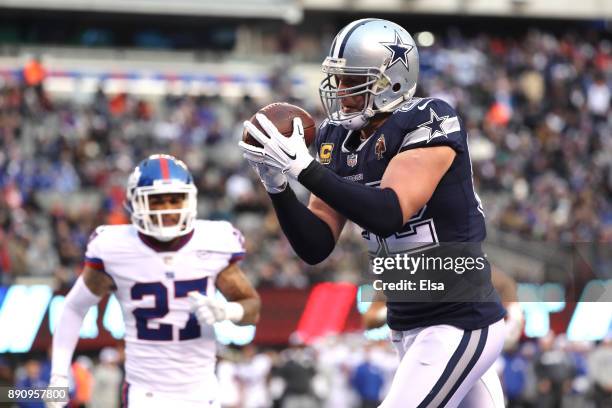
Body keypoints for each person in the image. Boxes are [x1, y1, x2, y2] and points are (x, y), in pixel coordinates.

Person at [240, 19, 506, 407]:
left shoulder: (428, 119)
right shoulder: (337, 138)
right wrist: (277, 185)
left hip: (459, 318)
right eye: (339, 79)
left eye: (353, 80)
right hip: (408, 321)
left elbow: (388, 212)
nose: (341, 91)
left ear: (392, 80)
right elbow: (315, 244)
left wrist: (304, 169)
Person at [48, 154, 260, 408]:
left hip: (202, 391)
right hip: (146, 393)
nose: (168, 210)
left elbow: (252, 308)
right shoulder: (114, 248)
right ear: (135, 203)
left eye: (175, 199)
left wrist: (227, 310)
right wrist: (59, 375)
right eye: (157, 201)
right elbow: (74, 307)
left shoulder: (214, 241)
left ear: (190, 200)